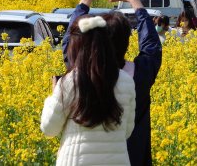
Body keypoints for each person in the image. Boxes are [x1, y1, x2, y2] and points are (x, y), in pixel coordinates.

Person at [61, 0, 162, 166]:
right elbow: (151, 47)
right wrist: (134, 0)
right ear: (125, 42)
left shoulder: (79, 73)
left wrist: (84, 2)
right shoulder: (137, 77)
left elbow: (69, 43)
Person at [41, 11, 136, 165]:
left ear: (76, 47)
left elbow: (49, 129)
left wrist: (52, 97)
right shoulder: (126, 81)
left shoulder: (70, 82)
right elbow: (127, 131)